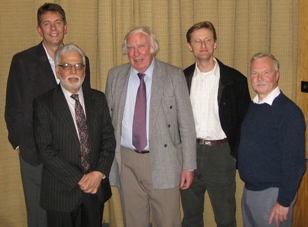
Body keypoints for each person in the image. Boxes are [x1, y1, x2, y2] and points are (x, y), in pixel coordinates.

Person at [4, 3, 91, 226]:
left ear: (65, 27)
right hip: (35, 156)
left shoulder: (80, 60)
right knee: (39, 217)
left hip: (72, 158)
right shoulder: (22, 61)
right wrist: (20, 144)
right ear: (39, 29)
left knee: (69, 215)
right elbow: (13, 107)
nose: (53, 28)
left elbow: (84, 105)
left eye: (58, 23)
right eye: (47, 23)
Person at [105, 25, 196, 227]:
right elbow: (108, 123)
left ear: (152, 47)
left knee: (167, 221)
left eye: (141, 46)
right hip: (126, 161)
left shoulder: (173, 75)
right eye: (131, 48)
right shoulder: (115, 76)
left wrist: (188, 165)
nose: (136, 53)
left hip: (164, 161)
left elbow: (187, 124)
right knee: (134, 221)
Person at [33, 43, 115, 227]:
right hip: (61, 192)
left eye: (78, 65)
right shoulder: (43, 104)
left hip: (95, 190)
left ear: (84, 70)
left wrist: (98, 173)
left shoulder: (98, 99)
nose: (73, 70)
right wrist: (80, 179)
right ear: (57, 70)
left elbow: (109, 140)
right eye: (66, 66)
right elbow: (45, 150)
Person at [180, 21, 251, 227]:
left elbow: (244, 123)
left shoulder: (235, 79)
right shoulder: (180, 79)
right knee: (191, 217)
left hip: (221, 155)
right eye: (197, 41)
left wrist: (233, 155)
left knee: (225, 218)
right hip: (189, 155)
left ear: (215, 43)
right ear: (189, 46)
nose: (203, 45)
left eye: (207, 39)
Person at [238, 52, 306, 227]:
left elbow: (295, 163)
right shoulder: (253, 107)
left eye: (266, 72)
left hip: (273, 196)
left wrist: (284, 202)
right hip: (251, 192)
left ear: (276, 75)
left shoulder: (289, 113)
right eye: (255, 73)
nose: (259, 78)